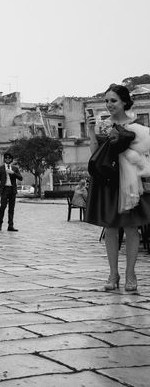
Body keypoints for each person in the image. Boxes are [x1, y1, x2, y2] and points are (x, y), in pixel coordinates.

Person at [85, 84, 149, 292]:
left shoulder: (135, 126)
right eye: (106, 101)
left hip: (129, 179)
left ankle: (131, 274)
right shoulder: (102, 126)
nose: (109, 105)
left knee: (131, 227)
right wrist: (90, 133)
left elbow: (143, 153)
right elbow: (95, 154)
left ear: (124, 102)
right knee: (110, 227)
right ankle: (113, 274)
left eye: (113, 101)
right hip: (107, 178)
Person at [0, 152, 22, 231]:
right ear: (4, 159)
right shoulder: (0, 168)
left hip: (12, 190)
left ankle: (10, 226)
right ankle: (0, 224)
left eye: (9, 158)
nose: (7, 159)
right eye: (6, 158)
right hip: (4, 189)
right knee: (3, 207)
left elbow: (20, 178)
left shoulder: (15, 168)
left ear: (11, 159)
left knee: (11, 208)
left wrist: (13, 173)